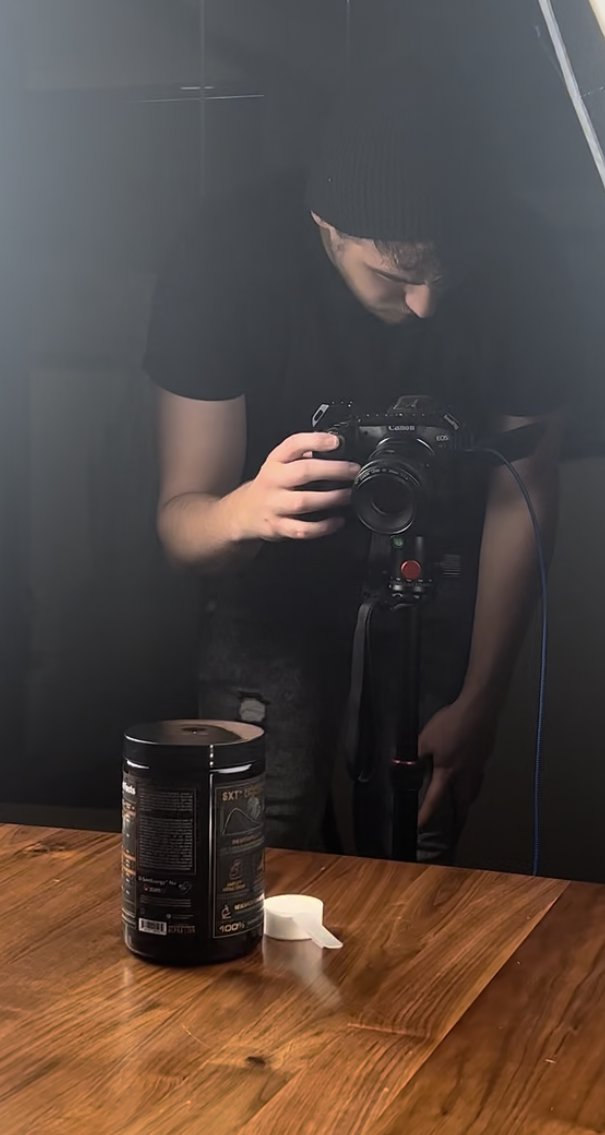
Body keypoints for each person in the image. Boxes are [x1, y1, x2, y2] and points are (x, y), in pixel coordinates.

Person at [143, 56, 576, 862]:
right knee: (253, 841)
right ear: (325, 228)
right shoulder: (225, 257)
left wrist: (484, 697)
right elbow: (182, 526)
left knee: (422, 835)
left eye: (447, 276)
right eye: (395, 275)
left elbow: (522, 487)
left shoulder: (525, 259)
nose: (425, 307)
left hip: (435, 568)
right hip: (265, 580)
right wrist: (247, 510)